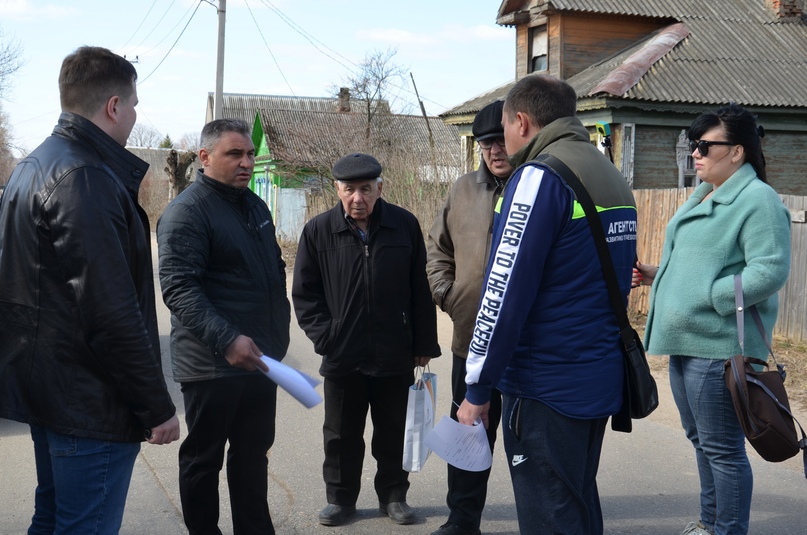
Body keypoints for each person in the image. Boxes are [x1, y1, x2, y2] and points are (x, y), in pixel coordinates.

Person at [0, 46, 180, 534]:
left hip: (52, 392)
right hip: (87, 401)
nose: (135, 115)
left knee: (53, 518)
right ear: (114, 106)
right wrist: (156, 406)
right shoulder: (84, 177)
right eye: (134, 104)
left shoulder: (34, 165)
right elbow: (110, 310)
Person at [457, 74, 637, 535]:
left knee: (550, 514)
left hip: (545, 384)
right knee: (576, 503)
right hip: (596, 374)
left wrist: (477, 387)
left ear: (521, 121)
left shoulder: (539, 177)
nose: (502, 140)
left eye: (504, 127)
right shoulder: (608, 173)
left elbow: (503, 293)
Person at [637, 103, 791, 535]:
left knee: (723, 450)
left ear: (737, 151)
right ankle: (710, 523)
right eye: (693, 144)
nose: (695, 153)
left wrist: (711, 296)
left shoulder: (758, 200)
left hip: (719, 346)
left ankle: (727, 529)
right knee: (702, 442)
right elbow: (700, 264)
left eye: (705, 145)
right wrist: (658, 275)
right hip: (687, 341)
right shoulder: (705, 193)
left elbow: (770, 270)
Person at [157, 118, 291, 535]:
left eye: (249, 154)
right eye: (235, 154)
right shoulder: (187, 212)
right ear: (205, 157)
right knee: (204, 458)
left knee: (253, 455)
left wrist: (279, 333)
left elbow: (274, 270)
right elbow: (179, 289)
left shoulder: (255, 205)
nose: (246, 162)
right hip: (212, 363)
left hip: (259, 358)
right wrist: (228, 339)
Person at [292, 153, 441, 527]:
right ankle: (340, 500)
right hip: (343, 355)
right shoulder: (318, 231)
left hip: (395, 351)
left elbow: (419, 289)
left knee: (393, 431)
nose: (357, 198)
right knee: (341, 435)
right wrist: (328, 338)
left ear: (380, 188)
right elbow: (305, 295)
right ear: (337, 190)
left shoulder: (404, 225)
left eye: (365, 189)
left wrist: (423, 344)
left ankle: (394, 496)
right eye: (349, 190)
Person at [426, 100, 512, 535]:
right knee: (469, 432)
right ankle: (462, 521)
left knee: (528, 440)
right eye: (485, 143)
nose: (494, 150)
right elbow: (437, 250)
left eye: (501, 140)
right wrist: (449, 295)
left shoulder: (539, 186)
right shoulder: (462, 190)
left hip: (526, 348)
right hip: (470, 340)